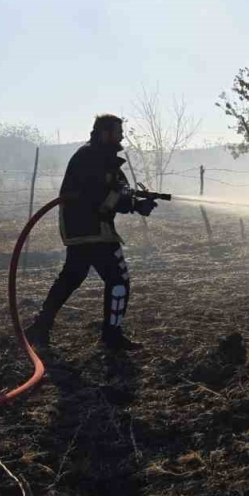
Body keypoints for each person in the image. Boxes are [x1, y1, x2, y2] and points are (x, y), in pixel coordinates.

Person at [25, 114, 157, 351]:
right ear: (105, 133)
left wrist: (137, 200)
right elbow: (100, 196)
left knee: (72, 276)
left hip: (84, 228)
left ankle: (41, 326)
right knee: (118, 278)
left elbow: (118, 189)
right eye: (118, 132)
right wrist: (133, 205)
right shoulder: (90, 157)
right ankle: (112, 336)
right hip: (92, 228)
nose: (122, 137)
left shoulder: (100, 156)